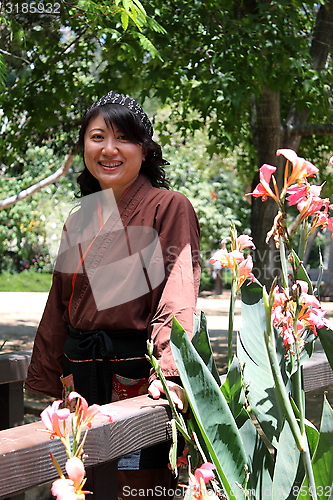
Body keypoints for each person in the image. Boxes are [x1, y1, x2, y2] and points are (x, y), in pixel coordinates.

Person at [25, 90, 201, 499]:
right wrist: (47, 376)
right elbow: (58, 305)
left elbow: (177, 293)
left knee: (135, 485)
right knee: (77, 483)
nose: (109, 149)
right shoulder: (81, 218)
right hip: (79, 377)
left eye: (122, 137)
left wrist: (173, 374)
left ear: (144, 149)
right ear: (84, 145)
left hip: (136, 380)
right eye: (97, 136)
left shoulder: (169, 207)